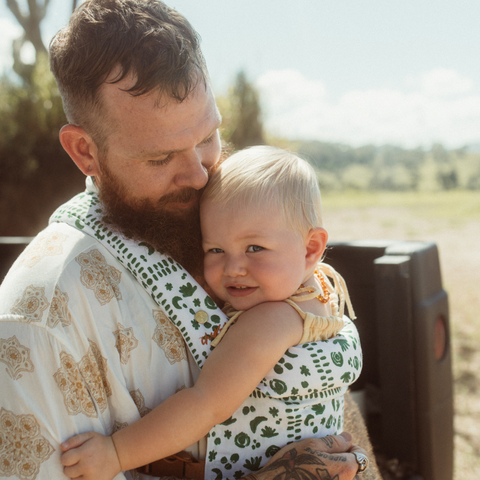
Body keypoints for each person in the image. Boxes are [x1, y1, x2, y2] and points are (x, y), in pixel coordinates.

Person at [0, 1, 379, 479]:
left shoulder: (237, 222)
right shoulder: (40, 320)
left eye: (208, 137)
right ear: (85, 151)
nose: (201, 175)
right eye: (161, 159)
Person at [59, 146, 363, 480]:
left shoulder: (271, 321)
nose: (233, 268)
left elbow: (206, 404)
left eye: (254, 248)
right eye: (216, 249)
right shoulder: (320, 286)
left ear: (310, 248)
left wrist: (116, 453)